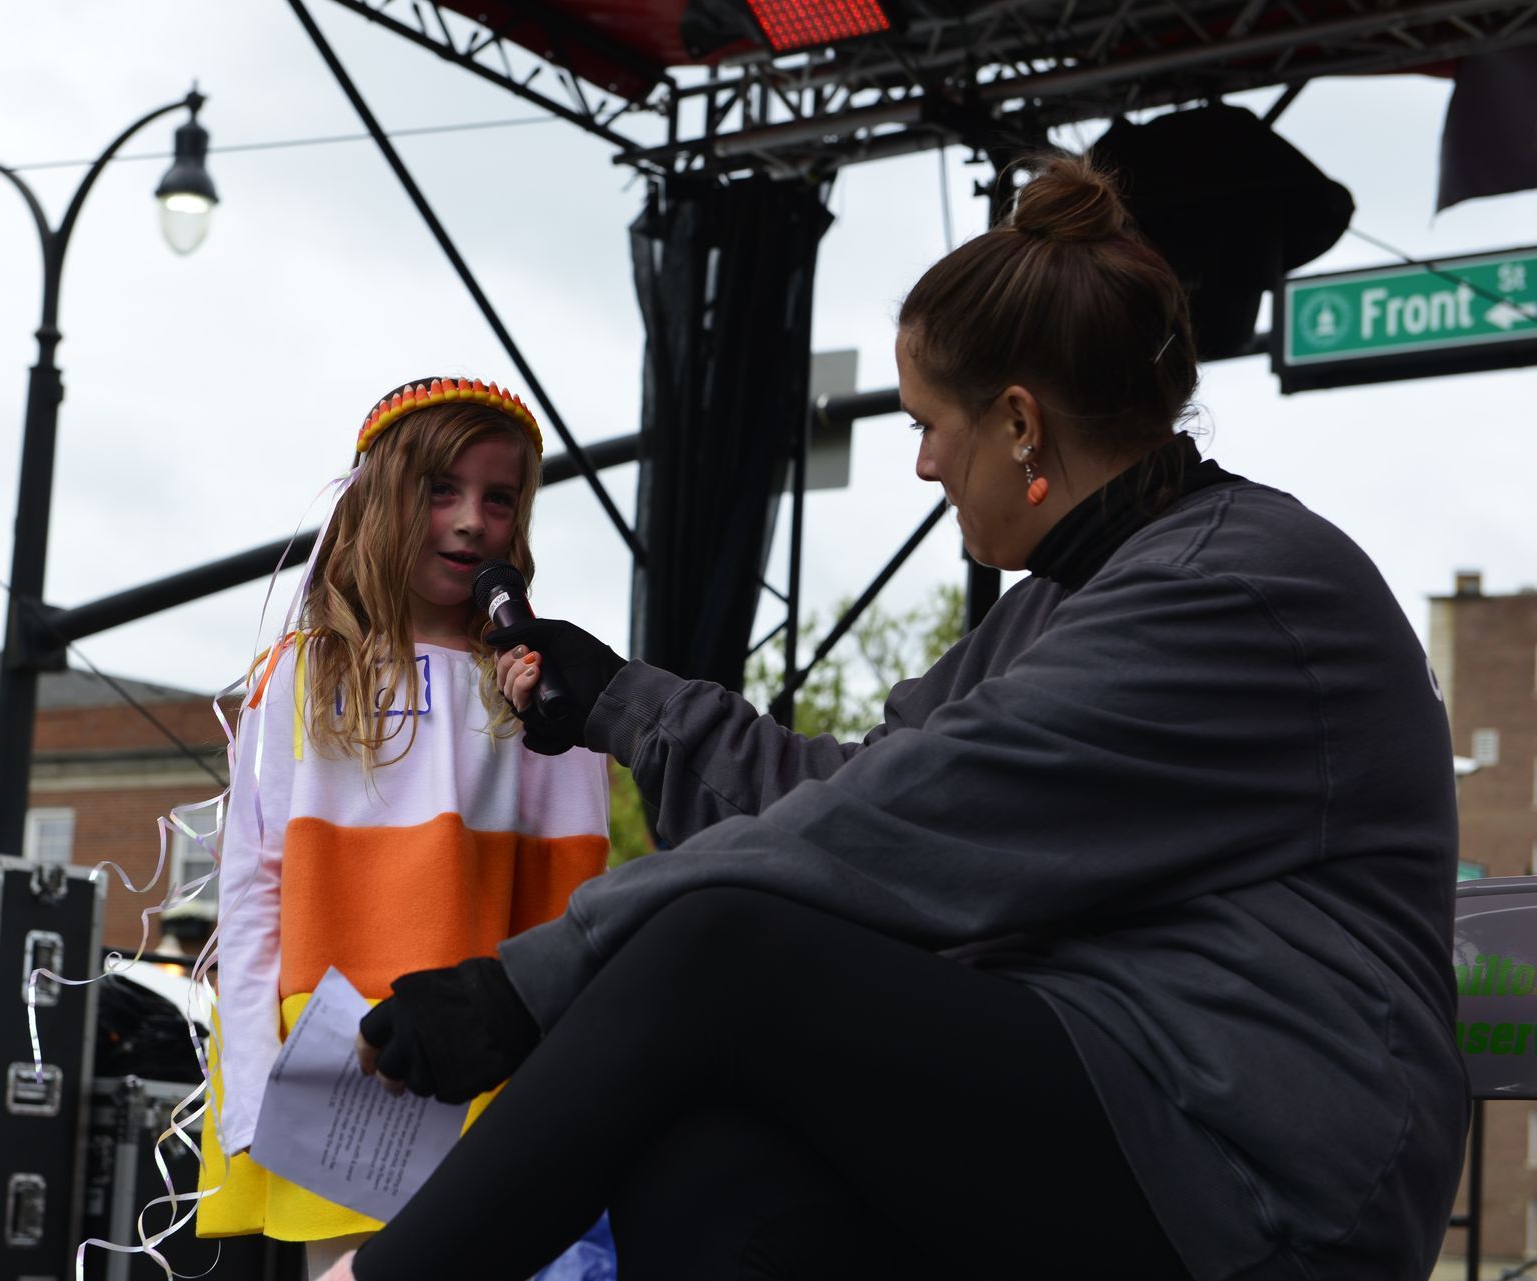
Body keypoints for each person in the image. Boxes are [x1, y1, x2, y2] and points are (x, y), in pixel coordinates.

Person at [334, 156, 1471, 1280]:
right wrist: (625, 703)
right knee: (706, 1163)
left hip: (1269, 1179)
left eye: (933, 425)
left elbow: (883, 833)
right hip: (1128, 1102)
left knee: (717, 951)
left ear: (1020, 423)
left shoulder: (1235, 593)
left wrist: (530, 983)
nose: (925, 464)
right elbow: (846, 795)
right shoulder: (1070, 603)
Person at [198, 378, 612, 1280]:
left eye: (498, 498)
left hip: (495, 1069)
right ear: (383, 499)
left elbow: (581, 898)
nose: (471, 521)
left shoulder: (549, 695)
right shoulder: (306, 677)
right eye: (440, 490)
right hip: (343, 1068)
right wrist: (257, 1080)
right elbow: (253, 886)